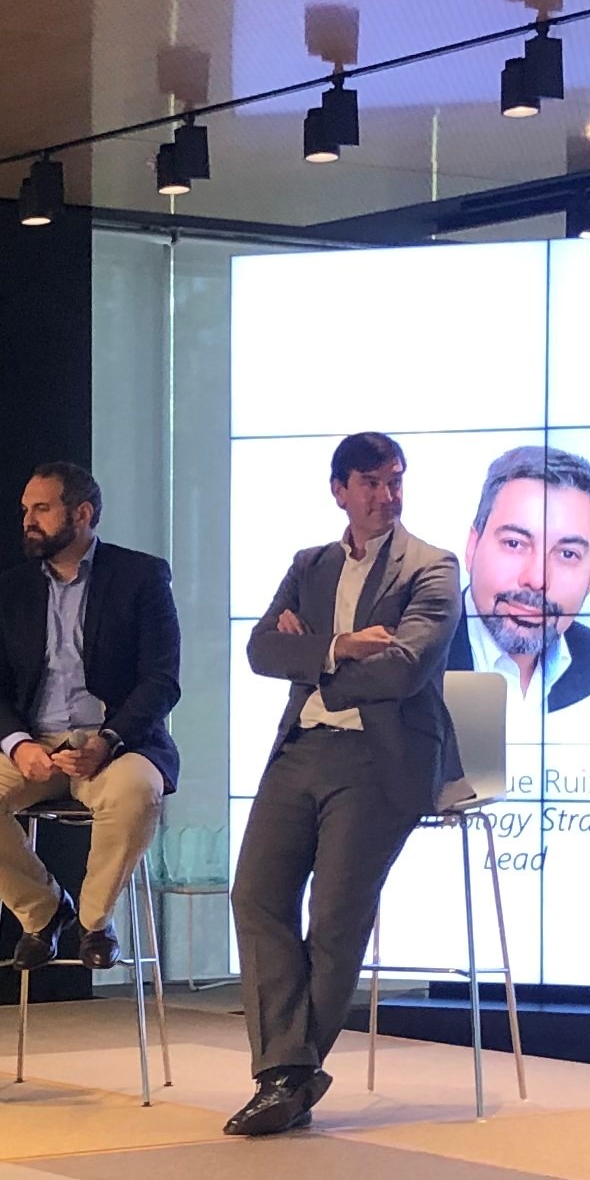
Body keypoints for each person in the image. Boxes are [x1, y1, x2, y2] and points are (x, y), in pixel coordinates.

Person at [229, 432, 461, 1139]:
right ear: (339, 490)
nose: (387, 495)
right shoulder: (310, 564)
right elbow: (261, 649)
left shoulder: (433, 567)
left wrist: (312, 657)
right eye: (371, 482)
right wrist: (339, 646)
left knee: (334, 915)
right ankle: (288, 1072)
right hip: (301, 748)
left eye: (396, 480)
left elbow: (404, 669)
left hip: (378, 757)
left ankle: (284, 1079)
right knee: (255, 894)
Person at [0, 460, 181, 971]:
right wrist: (18, 744)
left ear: (82, 514)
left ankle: (94, 923)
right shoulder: (8, 589)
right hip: (35, 741)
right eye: (26, 510)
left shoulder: (140, 576)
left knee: (136, 790)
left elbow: (161, 680)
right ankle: (45, 911)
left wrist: (108, 740)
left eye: (42, 509)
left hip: (116, 742)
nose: (28, 520)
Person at [447, 442, 590, 737]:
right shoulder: (407, 660)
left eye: (567, 554)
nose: (537, 578)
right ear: (472, 547)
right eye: (514, 544)